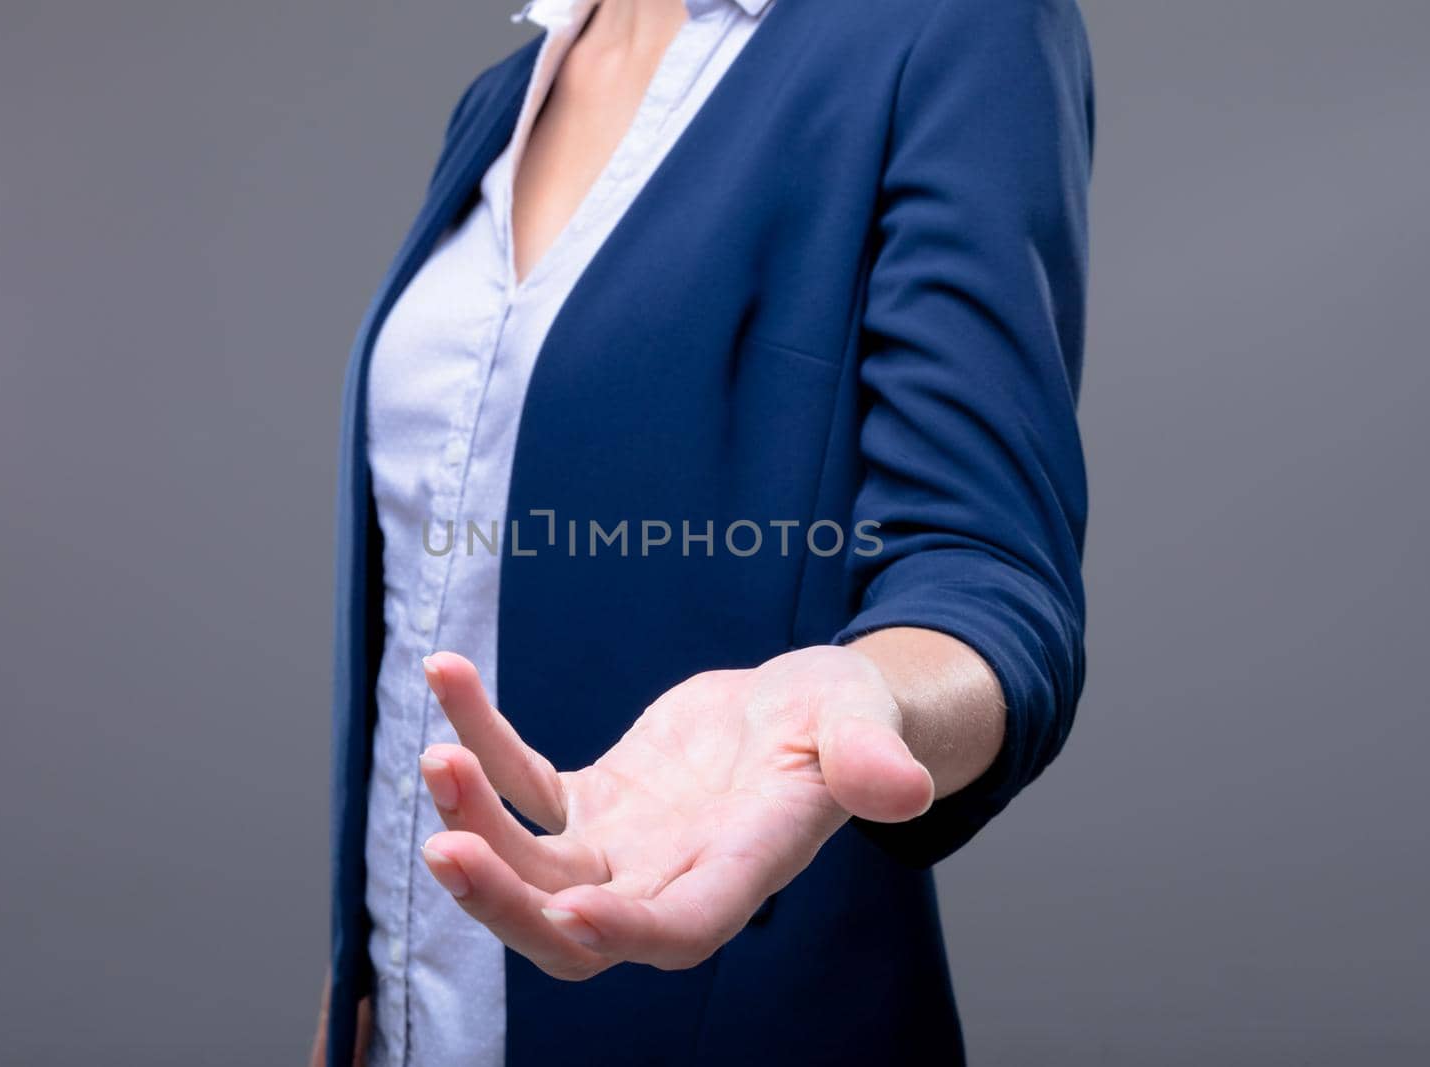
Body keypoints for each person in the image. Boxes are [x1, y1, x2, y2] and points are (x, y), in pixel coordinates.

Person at [312, 0, 1094, 1063]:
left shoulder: (952, 26)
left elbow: (987, 571)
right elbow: (420, 619)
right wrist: (360, 989)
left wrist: (857, 701)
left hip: (727, 1014)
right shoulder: (501, 96)